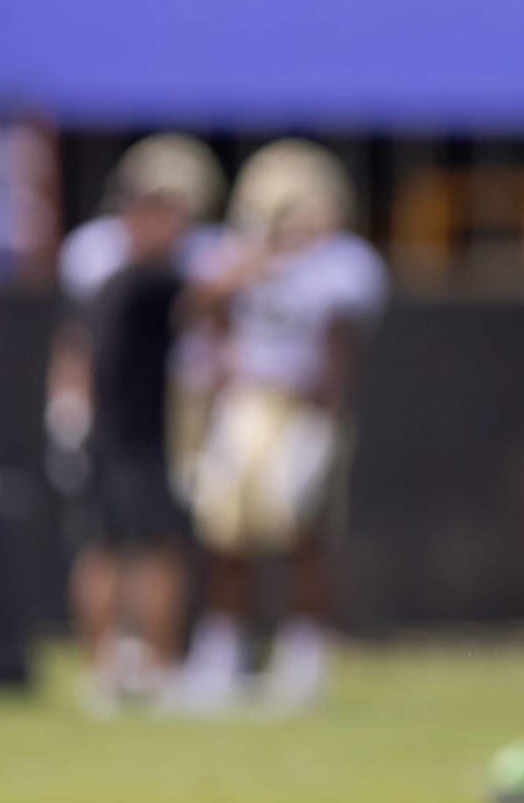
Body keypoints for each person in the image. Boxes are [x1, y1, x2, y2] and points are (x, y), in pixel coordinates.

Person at [172, 140, 386, 712]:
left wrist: (323, 428)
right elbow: (201, 312)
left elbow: (340, 350)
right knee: (225, 533)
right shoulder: (235, 255)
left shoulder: (340, 263)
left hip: (302, 409)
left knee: (304, 533)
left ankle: (303, 658)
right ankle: (224, 655)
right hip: (245, 403)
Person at [48, 134, 226, 709]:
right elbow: (213, 292)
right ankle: (155, 667)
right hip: (138, 438)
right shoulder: (148, 279)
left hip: (105, 435)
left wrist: (70, 415)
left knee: (106, 549)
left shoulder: (110, 278)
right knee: (150, 553)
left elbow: (73, 345)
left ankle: (108, 671)